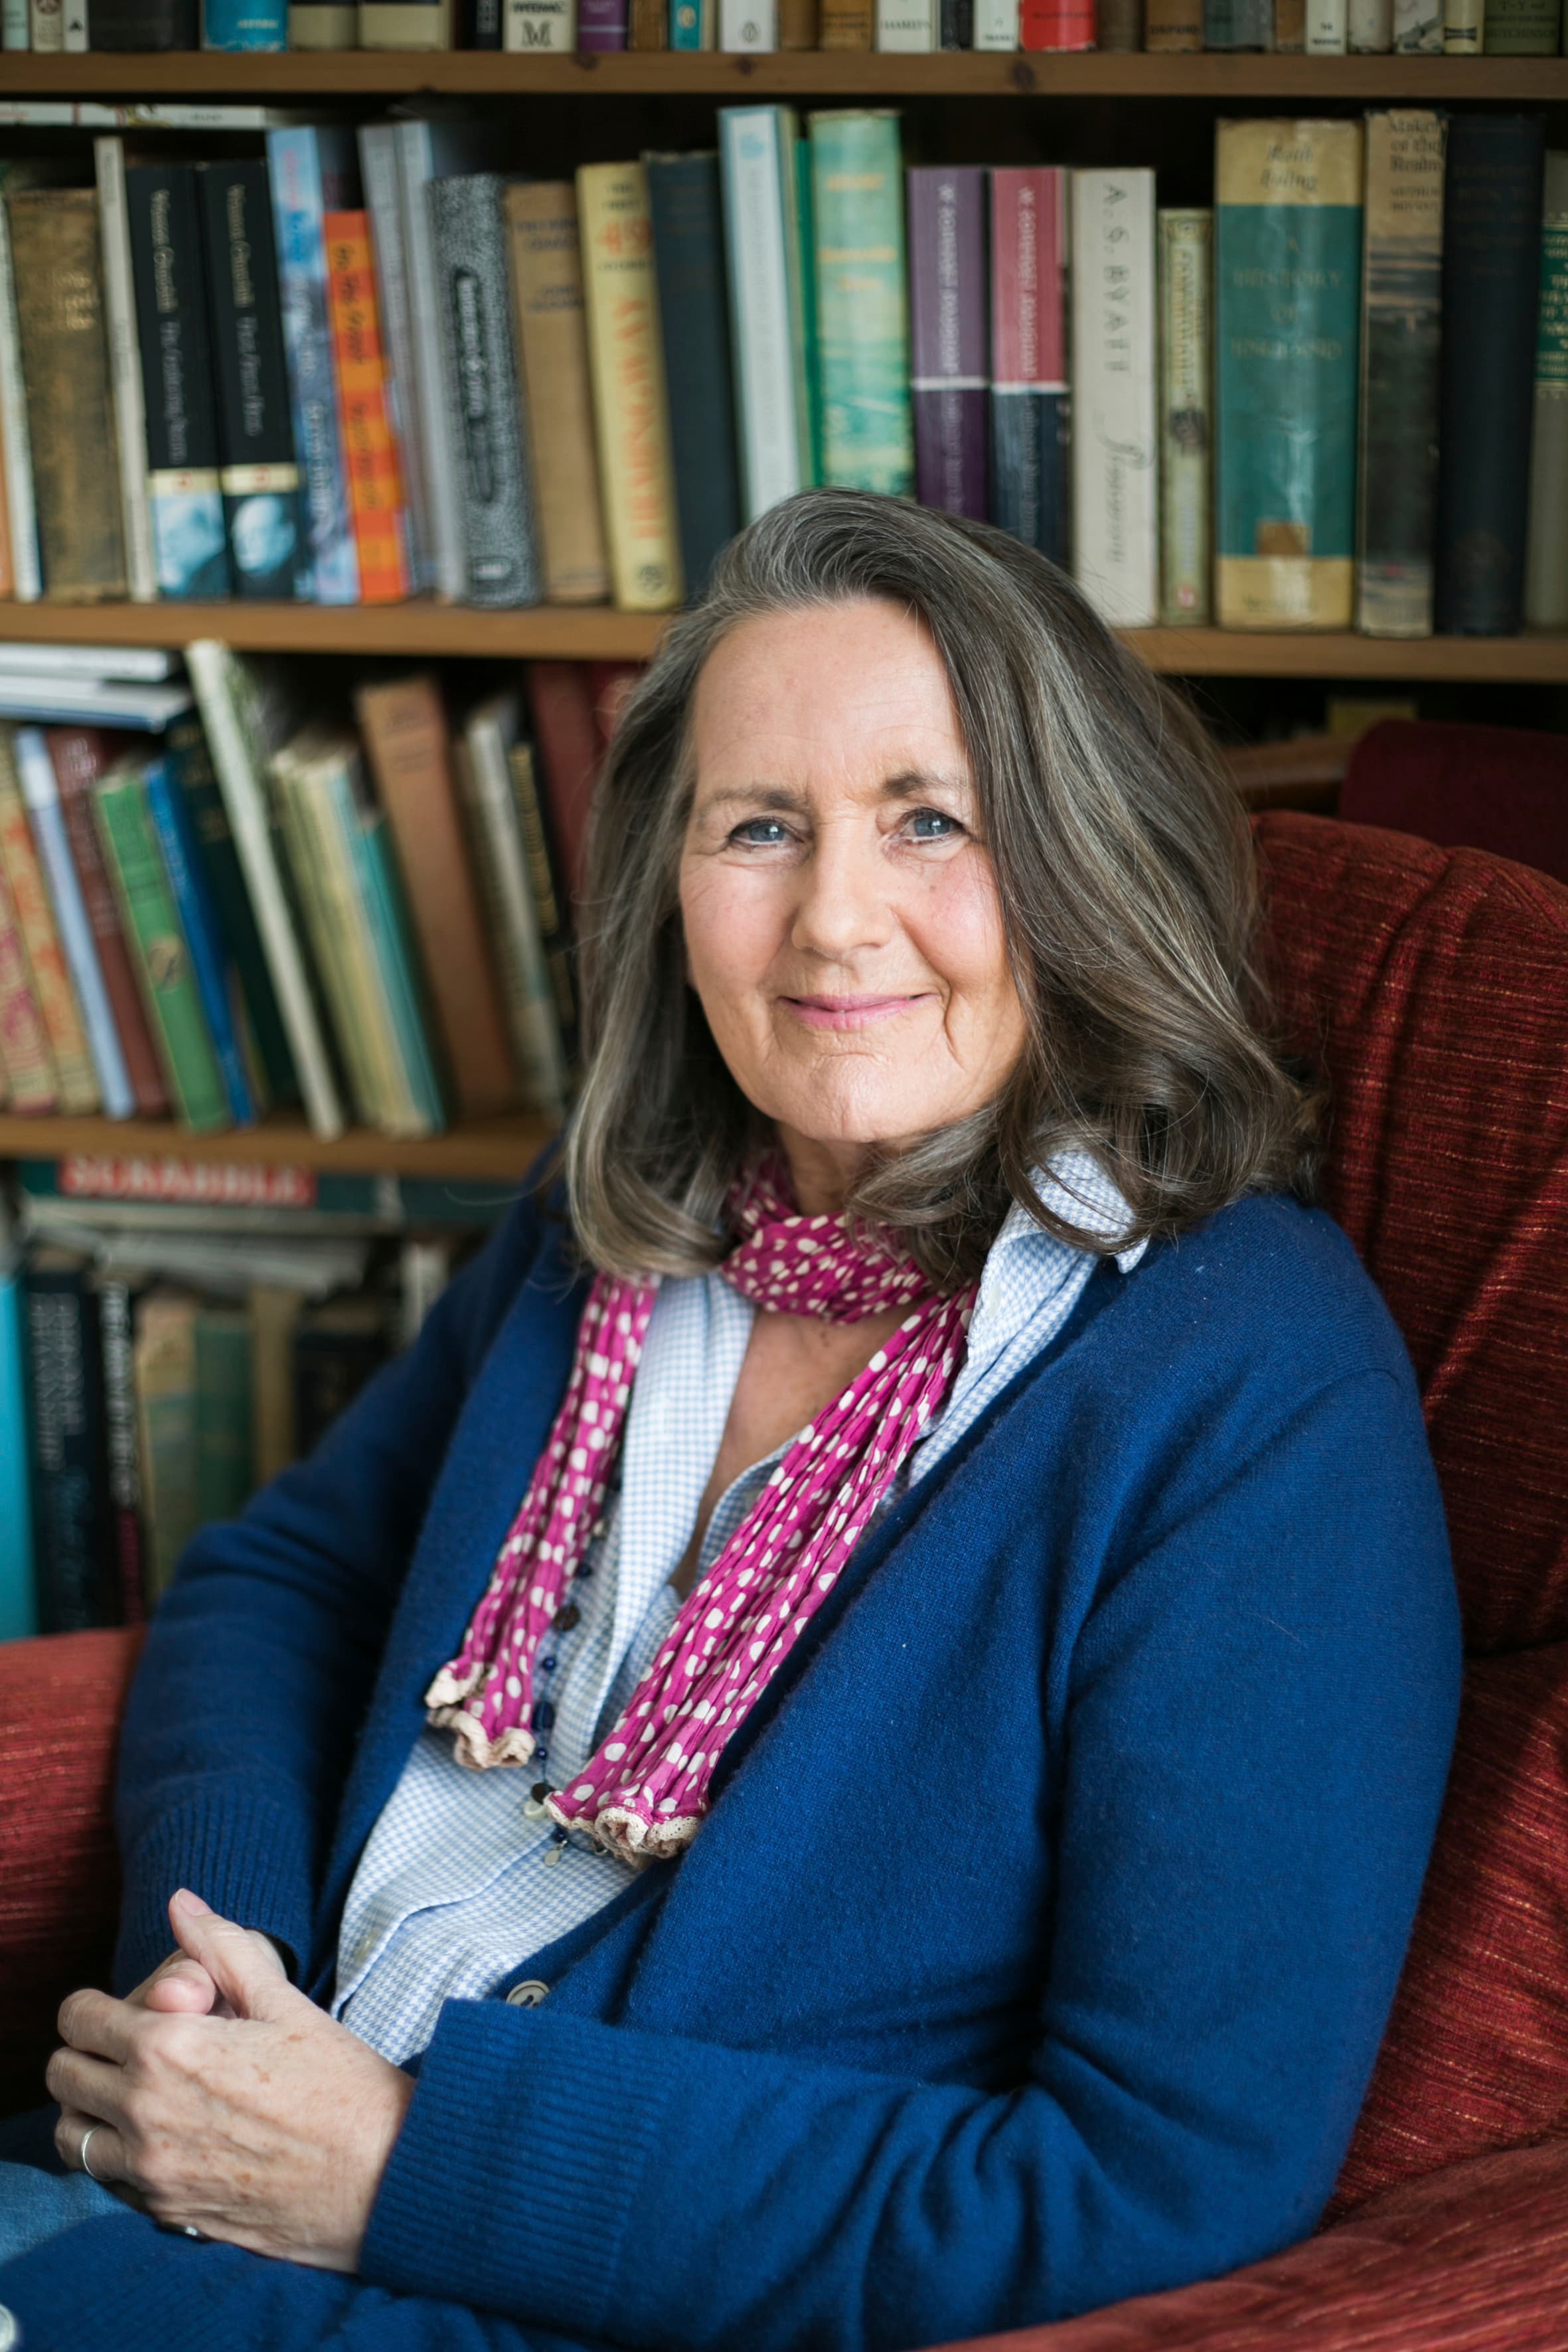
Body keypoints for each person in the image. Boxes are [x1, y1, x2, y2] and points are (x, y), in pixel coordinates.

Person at [0, 491, 1460, 2352]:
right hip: (208, 2150)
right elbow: (284, 1578)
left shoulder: (1248, 1383)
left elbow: (1158, 2180)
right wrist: (218, 1975)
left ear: (1081, 861)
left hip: (583, 2298)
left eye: (931, 821)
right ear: (667, 887)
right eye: (760, 827)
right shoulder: (624, 1221)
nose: (834, 921)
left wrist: (391, 2167)